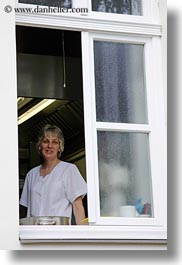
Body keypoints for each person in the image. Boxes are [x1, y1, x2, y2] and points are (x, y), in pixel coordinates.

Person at [20, 124, 87, 225]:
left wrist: (83, 236)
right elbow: (25, 210)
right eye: (45, 141)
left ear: (59, 148)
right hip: (34, 234)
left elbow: (78, 206)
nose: (50, 146)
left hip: (58, 234)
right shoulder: (31, 175)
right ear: (39, 146)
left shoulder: (69, 170)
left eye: (55, 142)